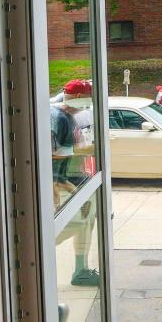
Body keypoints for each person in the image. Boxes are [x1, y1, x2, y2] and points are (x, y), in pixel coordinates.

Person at [52, 79, 101, 285]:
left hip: (72, 184)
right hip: (59, 185)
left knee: (86, 222)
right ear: (80, 98)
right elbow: (50, 154)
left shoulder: (70, 118)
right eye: (90, 98)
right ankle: (36, 250)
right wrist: (84, 150)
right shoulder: (57, 118)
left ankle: (81, 270)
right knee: (74, 224)